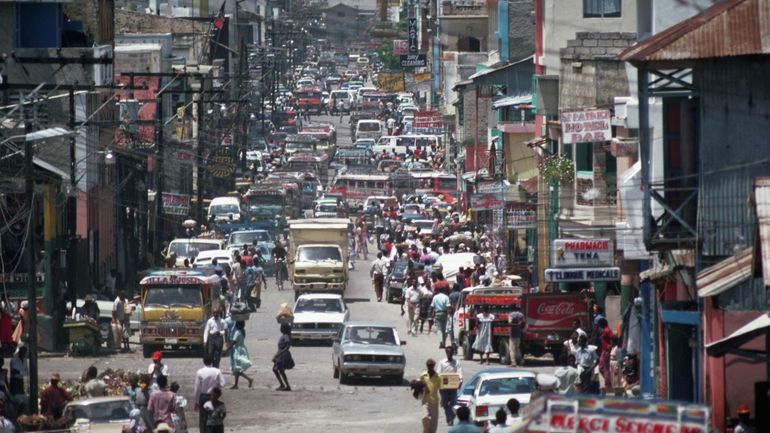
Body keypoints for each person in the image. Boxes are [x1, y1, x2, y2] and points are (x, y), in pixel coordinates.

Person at [193, 355, 225, 433]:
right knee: (214, 417)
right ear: (212, 361)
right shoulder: (217, 371)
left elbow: (197, 388)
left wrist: (196, 401)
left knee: (203, 419)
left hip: (203, 396)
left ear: (203, 361)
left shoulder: (200, 372)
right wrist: (217, 389)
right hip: (214, 396)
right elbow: (223, 383)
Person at [437, 346, 462, 426]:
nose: (449, 354)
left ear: (453, 353)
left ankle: (450, 419)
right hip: (444, 388)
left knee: (453, 404)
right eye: (448, 352)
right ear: (446, 352)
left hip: (453, 387)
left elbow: (459, 373)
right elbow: (438, 374)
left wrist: (460, 381)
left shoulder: (457, 362)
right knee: (444, 404)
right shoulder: (442, 363)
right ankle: (449, 417)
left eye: (451, 352)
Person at [228, 321, 254, 389]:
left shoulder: (237, 332)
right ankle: (236, 384)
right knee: (237, 368)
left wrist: (226, 350)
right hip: (242, 348)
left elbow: (234, 342)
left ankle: (249, 379)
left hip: (237, 350)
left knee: (238, 368)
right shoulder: (243, 331)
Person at [420, 358, 441, 433]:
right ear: (427, 366)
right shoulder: (423, 375)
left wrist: (443, 399)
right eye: (428, 365)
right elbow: (419, 386)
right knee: (425, 417)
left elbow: (440, 388)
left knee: (434, 422)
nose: (430, 367)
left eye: (431, 365)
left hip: (434, 401)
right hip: (425, 401)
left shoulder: (437, 377)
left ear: (434, 366)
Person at [273, 323, 294, 391]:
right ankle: (284, 385)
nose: (280, 329)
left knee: (277, 370)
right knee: (278, 370)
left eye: (282, 327)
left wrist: (279, 354)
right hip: (281, 355)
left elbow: (287, 346)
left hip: (283, 355)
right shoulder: (284, 335)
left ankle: (285, 385)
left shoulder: (286, 336)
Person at [597, 318, 613, 388]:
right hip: (604, 351)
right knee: (601, 368)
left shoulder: (607, 330)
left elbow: (612, 339)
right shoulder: (605, 330)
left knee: (605, 368)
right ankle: (608, 381)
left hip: (606, 351)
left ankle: (608, 384)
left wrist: (609, 348)